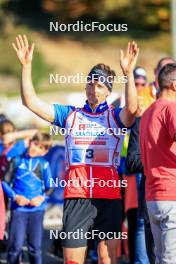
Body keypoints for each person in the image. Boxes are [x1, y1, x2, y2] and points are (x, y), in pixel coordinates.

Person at [12, 34, 139, 264]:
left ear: (108, 91)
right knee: (72, 261)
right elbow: (30, 102)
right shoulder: (70, 115)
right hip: (76, 198)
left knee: (106, 259)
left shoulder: (114, 116)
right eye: (90, 83)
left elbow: (132, 109)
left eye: (100, 85)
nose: (94, 89)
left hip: (108, 197)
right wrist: (26, 67)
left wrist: (128, 73)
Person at [139, 63, 176, 263]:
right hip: (171, 193)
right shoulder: (172, 108)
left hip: (153, 195)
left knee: (162, 257)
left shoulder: (148, 113)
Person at [2, 132, 53, 264]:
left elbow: (50, 187)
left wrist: (41, 198)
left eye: (40, 147)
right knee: (15, 248)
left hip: (37, 212)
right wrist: (15, 197)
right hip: (18, 211)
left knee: (35, 249)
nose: (35, 148)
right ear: (30, 141)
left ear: (45, 152)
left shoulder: (44, 164)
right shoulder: (16, 160)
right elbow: (4, 182)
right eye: (35, 144)